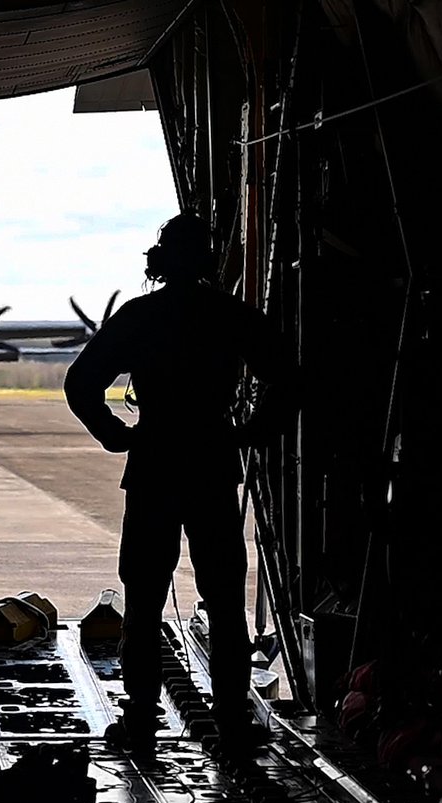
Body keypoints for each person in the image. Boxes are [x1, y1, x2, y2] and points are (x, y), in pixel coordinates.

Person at [64, 212, 295, 756]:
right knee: (223, 596)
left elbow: (81, 383)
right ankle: (233, 722)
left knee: (143, 596)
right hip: (212, 462)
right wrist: (254, 431)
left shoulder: (140, 317)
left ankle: (141, 716)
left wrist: (115, 435)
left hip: (155, 462)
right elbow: (286, 373)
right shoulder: (230, 316)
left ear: (159, 261)